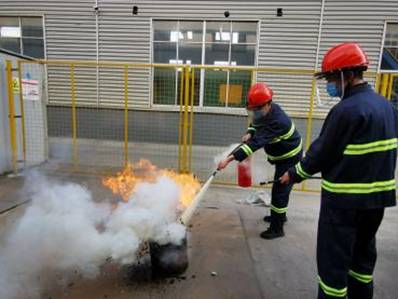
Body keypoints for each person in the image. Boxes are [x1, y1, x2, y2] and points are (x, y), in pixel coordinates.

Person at [280, 42, 398, 299]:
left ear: (348, 74)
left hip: (344, 203)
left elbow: (322, 153)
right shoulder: (385, 106)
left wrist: (294, 173)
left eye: (332, 77)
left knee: (334, 261)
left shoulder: (345, 110)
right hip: (377, 201)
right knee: (362, 256)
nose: (329, 83)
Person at [217, 82, 302, 239]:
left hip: (290, 158)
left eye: (257, 109)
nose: (254, 112)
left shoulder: (278, 121)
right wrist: (250, 132)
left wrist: (228, 159)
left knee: (279, 191)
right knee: (281, 190)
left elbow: (255, 144)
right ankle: (279, 216)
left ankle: (277, 228)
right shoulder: (265, 111)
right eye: (252, 109)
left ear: (267, 104)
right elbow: (255, 123)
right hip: (282, 156)